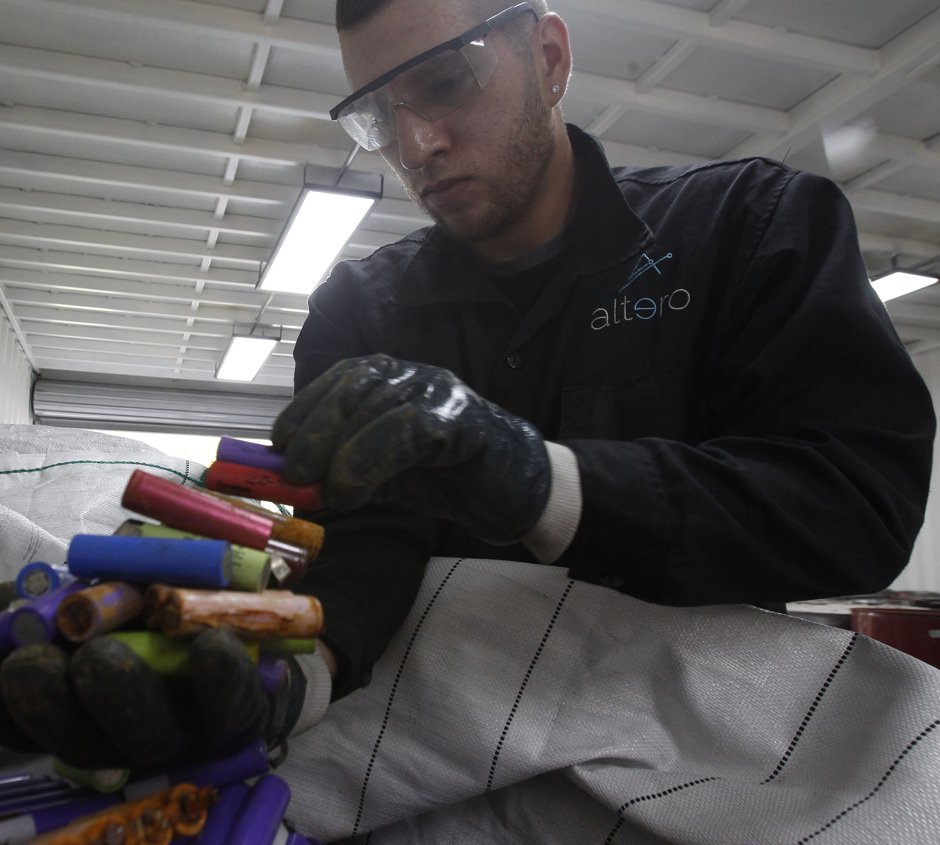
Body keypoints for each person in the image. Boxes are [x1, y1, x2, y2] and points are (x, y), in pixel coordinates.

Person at [273, 0, 937, 701]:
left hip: (697, 757)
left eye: (444, 83)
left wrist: (546, 483)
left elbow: (857, 509)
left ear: (550, 59)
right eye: (377, 116)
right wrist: (303, 673)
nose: (414, 144)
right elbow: (362, 539)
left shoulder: (750, 227)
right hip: (431, 752)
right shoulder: (357, 309)